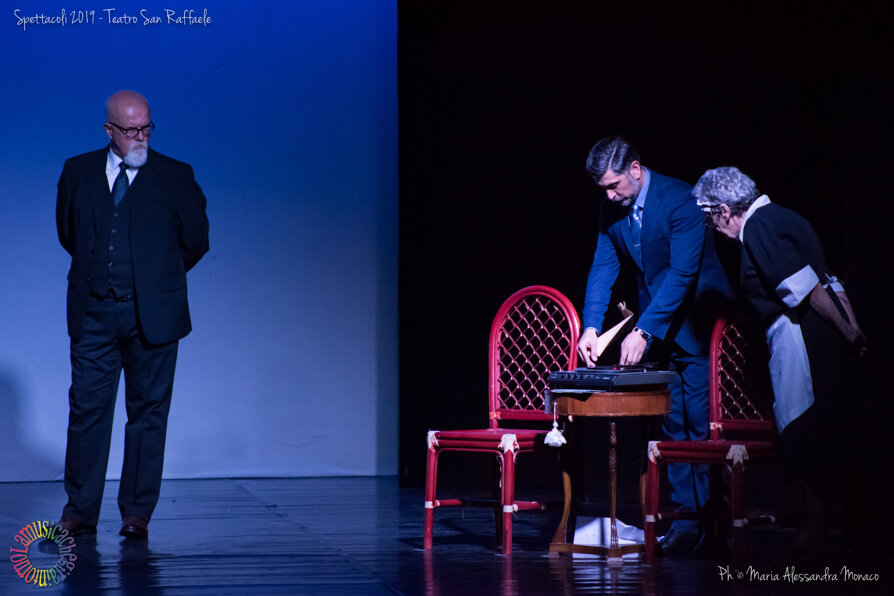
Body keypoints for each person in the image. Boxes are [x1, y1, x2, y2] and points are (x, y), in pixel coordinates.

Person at [56, 90, 209, 538]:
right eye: (130, 130)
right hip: (94, 313)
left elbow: (196, 240)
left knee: (148, 413)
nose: (140, 137)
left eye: (146, 128)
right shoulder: (78, 171)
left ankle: (136, 513)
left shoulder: (175, 175)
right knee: (87, 410)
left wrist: (155, 281)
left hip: (153, 315)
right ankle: (80, 510)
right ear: (109, 130)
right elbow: (69, 233)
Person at [692, 166, 865, 560]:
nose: (711, 227)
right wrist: (851, 326)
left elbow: (807, 287)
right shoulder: (786, 217)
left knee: (801, 430)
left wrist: (847, 329)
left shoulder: (759, 227)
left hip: (797, 333)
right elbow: (830, 281)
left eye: (709, 218)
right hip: (812, 331)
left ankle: (812, 536)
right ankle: (811, 532)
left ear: (723, 210)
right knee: (807, 429)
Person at [578, 136, 733, 553]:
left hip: (697, 325)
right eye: (603, 189)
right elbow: (602, 266)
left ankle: (715, 523)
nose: (610, 196)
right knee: (672, 424)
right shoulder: (612, 208)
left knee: (702, 425)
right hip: (661, 329)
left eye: (614, 186)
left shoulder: (681, 199)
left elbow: (683, 275)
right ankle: (686, 522)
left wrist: (644, 330)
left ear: (635, 169)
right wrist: (591, 326)